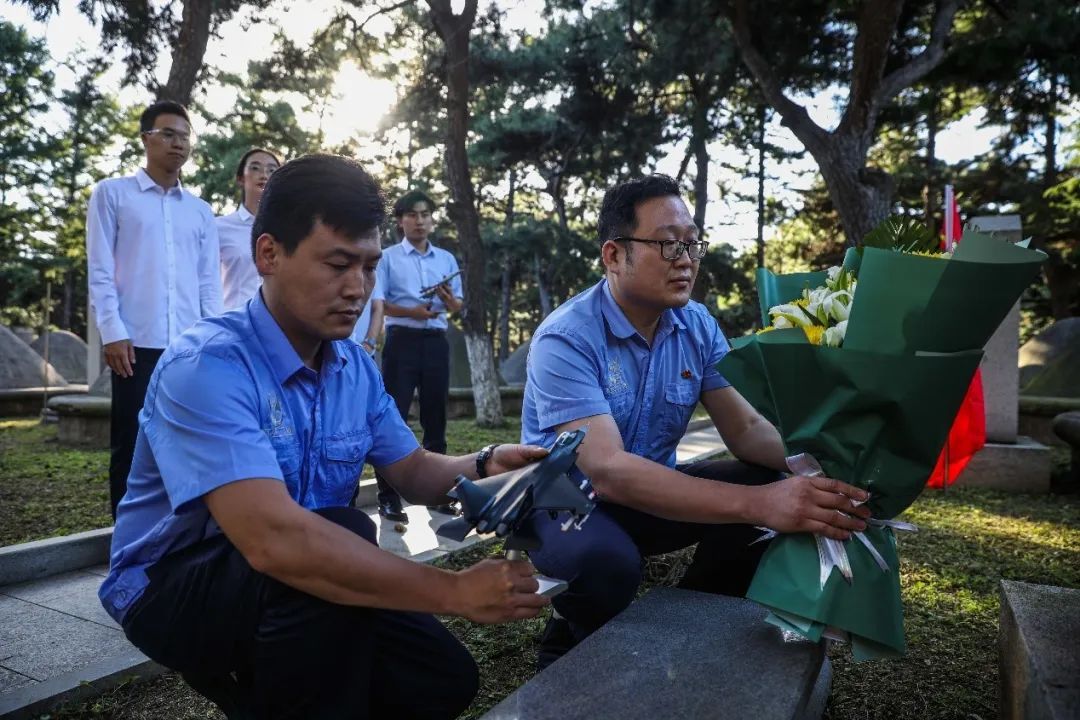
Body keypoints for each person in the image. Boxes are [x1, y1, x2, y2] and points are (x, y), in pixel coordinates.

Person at [99, 155, 549, 719]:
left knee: (442, 680)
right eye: (337, 264)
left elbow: (412, 471)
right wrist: (455, 592)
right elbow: (273, 539)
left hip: (299, 573)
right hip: (172, 587)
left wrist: (487, 464)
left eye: (368, 267)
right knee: (340, 534)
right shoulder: (207, 364)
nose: (357, 289)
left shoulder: (353, 368)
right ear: (268, 254)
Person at [520, 174, 872, 668]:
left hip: (649, 497)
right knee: (607, 564)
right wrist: (759, 504)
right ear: (614, 255)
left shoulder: (697, 325)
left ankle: (690, 620)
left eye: (691, 243)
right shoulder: (567, 337)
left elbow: (746, 431)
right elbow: (606, 470)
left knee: (771, 478)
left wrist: (828, 462)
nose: (685, 259)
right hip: (564, 503)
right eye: (666, 244)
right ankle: (570, 637)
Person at [86, 100, 222, 517]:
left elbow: (207, 283)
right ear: (146, 139)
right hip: (134, 345)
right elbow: (101, 270)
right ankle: (126, 542)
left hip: (188, 347)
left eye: (184, 136)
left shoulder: (200, 211)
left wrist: (212, 340)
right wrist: (112, 331)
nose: (178, 143)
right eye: (168, 134)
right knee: (130, 443)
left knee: (188, 442)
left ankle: (178, 534)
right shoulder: (112, 195)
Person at [373, 190, 463, 523]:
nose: (420, 221)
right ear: (400, 220)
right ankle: (388, 498)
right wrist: (413, 311)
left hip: (437, 340)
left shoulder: (446, 259)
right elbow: (379, 303)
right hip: (402, 339)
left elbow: (457, 306)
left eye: (425, 214)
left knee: (435, 417)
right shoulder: (388, 257)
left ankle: (438, 494)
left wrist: (448, 299)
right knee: (392, 416)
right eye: (412, 214)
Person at [218, 147, 281, 310]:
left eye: (272, 170)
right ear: (240, 178)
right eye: (255, 167)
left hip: (278, 325)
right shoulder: (219, 227)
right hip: (233, 323)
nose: (264, 174)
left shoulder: (289, 230)